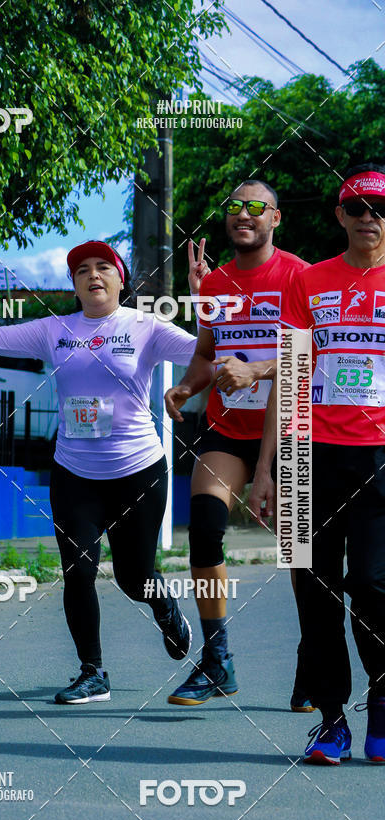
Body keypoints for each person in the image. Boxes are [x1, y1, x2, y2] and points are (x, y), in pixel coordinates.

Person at [0, 224, 196, 703]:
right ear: (74, 284)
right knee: (79, 571)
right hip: (75, 475)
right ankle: (93, 672)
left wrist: (204, 301)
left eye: (103, 267)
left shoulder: (145, 327)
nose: (93, 275)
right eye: (82, 270)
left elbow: (204, 351)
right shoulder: (54, 330)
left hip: (138, 471)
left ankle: (165, 608)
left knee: (135, 578)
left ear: (120, 279)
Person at [250, 163, 385, 764]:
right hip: (308, 458)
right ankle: (332, 721)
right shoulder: (309, 281)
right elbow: (291, 370)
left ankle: (382, 703)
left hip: (378, 457)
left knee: (374, 587)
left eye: (379, 209)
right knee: (314, 589)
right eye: (357, 207)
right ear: (340, 215)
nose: (369, 218)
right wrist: (266, 469)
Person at [163, 180, 310, 708]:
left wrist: (256, 370)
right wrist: (187, 385)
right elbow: (207, 354)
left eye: (255, 207)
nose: (243, 215)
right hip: (227, 431)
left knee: (300, 552)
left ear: (275, 218)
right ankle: (217, 659)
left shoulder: (300, 276)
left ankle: (314, 657)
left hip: (291, 429)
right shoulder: (216, 284)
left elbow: (308, 354)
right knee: (204, 532)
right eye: (234, 207)